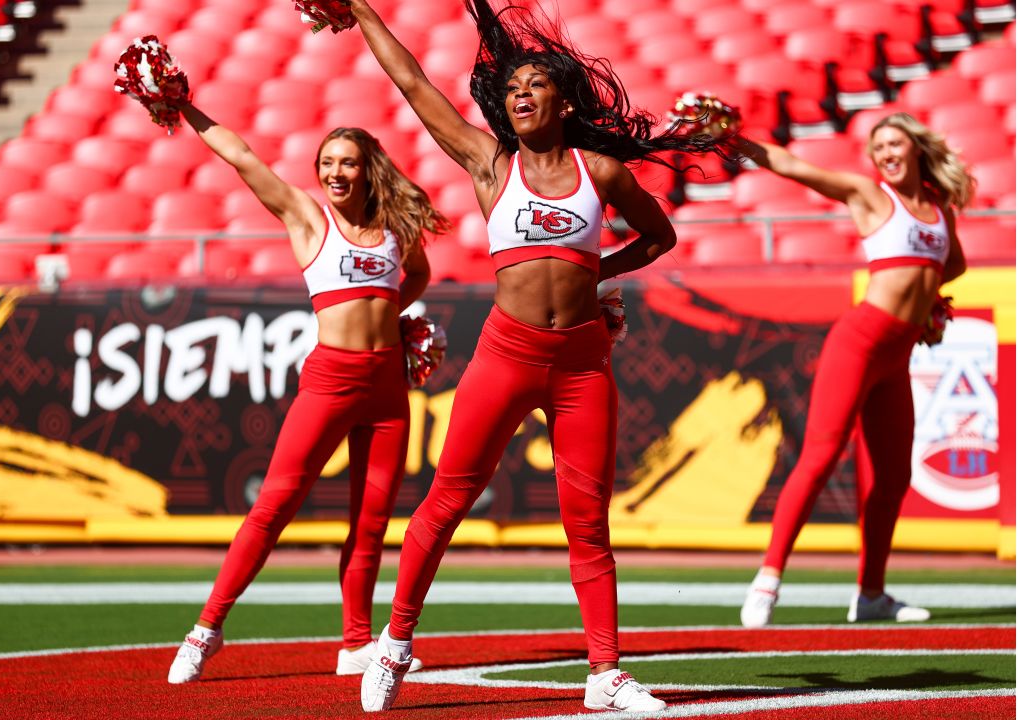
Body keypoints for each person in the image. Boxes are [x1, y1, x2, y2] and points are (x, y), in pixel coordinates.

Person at [345, 0, 724, 712]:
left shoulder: (603, 173)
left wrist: (595, 274)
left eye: (535, 85)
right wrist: (362, 10)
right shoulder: (491, 164)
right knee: (447, 500)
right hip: (508, 353)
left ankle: (606, 673)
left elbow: (660, 237)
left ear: (562, 99)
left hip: (582, 364)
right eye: (512, 87)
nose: (519, 93)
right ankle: (394, 644)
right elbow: (414, 84)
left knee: (588, 521)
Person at [166, 103, 450, 683]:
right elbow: (243, 156)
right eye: (327, 163)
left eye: (348, 163)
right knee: (274, 506)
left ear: (369, 169)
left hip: (388, 387)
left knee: (371, 524)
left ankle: (354, 645)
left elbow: (416, 274)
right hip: (331, 380)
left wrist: (397, 313)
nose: (336, 173)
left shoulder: (396, 225)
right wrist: (184, 106)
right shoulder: (308, 217)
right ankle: (206, 630)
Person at [735, 112, 970, 628]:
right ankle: (767, 580)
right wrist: (736, 141)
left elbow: (954, 265)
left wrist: (932, 304)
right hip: (859, 342)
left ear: (915, 148)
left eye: (895, 143)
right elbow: (794, 167)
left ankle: (871, 594)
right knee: (819, 457)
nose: (885, 153)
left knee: (893, 477)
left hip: (898, 356)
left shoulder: (937, 208)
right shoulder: (870, 195)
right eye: (878, 145)